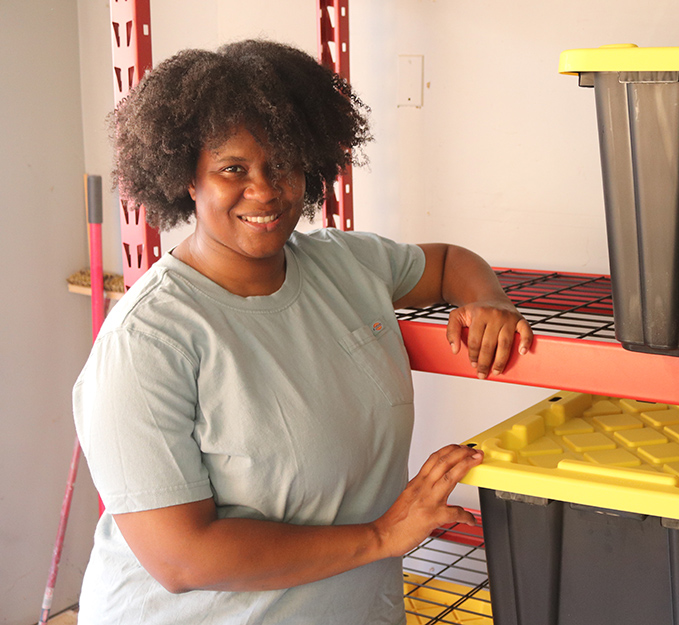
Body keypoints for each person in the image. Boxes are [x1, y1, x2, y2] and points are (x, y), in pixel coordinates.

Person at [72, 39, 533, 625]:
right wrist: (383, 536)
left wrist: (488, 300)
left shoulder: (344, 264)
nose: (264, 190)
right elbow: (182, 558)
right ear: (188, 179)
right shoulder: (147, 342)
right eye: (232, 169)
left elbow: (444, 263)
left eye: (282, 164)